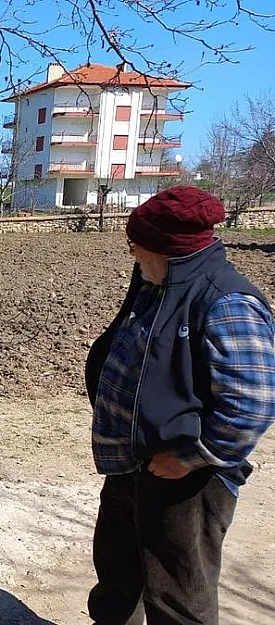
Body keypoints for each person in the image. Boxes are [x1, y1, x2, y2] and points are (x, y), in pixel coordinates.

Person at [85, 186, 275, 624]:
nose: (131, 253)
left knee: (178, 600)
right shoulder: (159, 283)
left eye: (136, 245)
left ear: (168, 249)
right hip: (134, 463)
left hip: (186, 479)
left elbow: (253, 403)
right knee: (118, 582)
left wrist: (189, 458)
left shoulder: (226, 301)